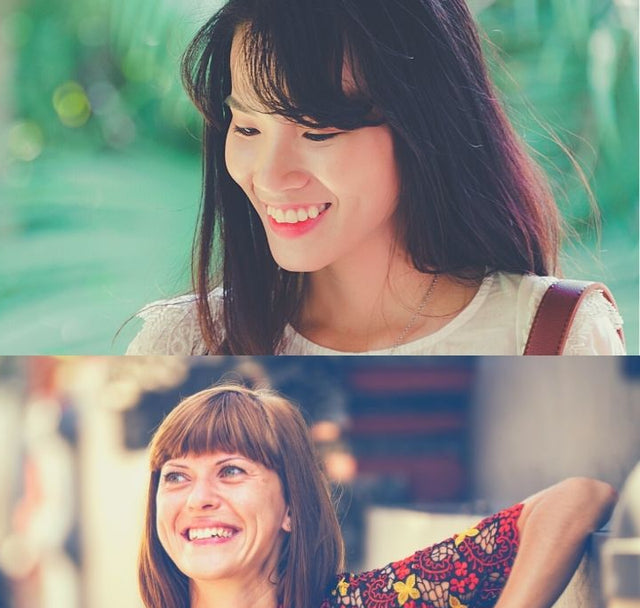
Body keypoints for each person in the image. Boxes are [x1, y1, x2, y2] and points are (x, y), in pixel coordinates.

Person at [124, 0, 625, 355]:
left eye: (317, 132)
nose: (271, 176)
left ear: (423, 128)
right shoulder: (185, 344)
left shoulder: (554, 338)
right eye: (248, 127)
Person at [75, 384, 617, 608]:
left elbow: (575, 501)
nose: (199, 499)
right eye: (175, 477)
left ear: (290, 507)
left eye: (231, 471)